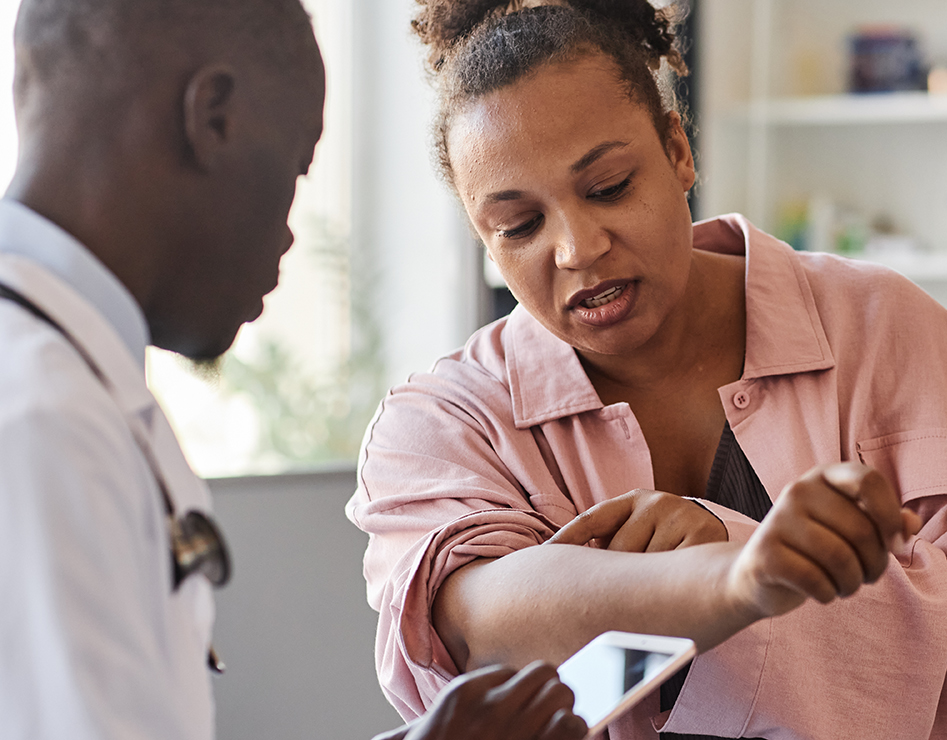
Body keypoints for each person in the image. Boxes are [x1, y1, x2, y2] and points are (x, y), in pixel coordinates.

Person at [345, 0, 947, 738]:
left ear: (678, 150)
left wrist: (751, 567)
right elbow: (483, 618)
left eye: (609, 187)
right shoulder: (441, 422)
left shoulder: (882, 329)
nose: (576, 248)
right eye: (519, 226)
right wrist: (740, 579)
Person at [0, 0, 585, 738]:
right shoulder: (40, 422)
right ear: (212, 118)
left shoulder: (68, 379)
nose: (286, 236)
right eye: (294, 170)